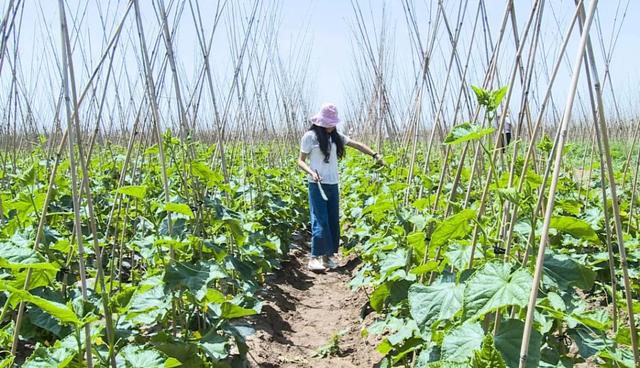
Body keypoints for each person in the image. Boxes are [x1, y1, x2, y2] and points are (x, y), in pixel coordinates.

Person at [297, 103, 383, 272]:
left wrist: (375, 155)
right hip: (317, 184)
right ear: (320, 122)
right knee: (320, 220)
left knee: (333, 220)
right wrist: (311, 173)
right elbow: (300, 160)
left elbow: (357, 145)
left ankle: (328, 256)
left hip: (332, 184)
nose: (331, 126)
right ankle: (314, 258)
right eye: (328, 123)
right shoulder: (310, 137)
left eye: (332, 123)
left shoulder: (335, 137)